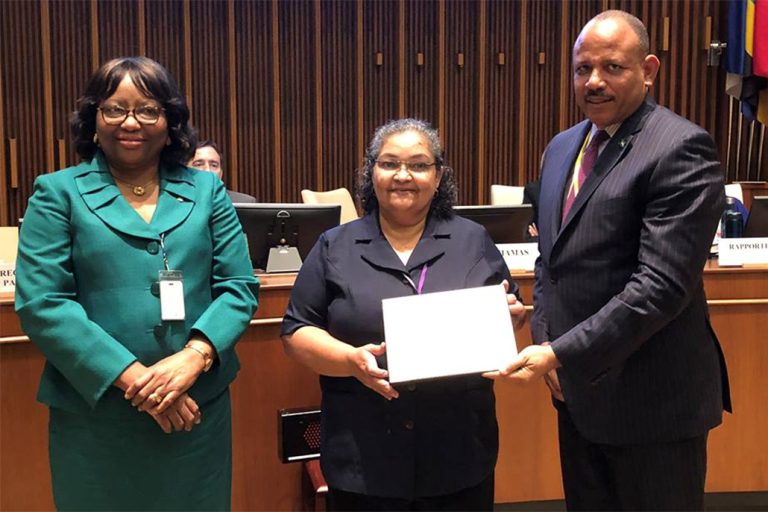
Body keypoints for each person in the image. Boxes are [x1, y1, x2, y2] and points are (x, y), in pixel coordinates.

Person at [486, 11, 731, 511]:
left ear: (648, 70)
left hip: (653, 405)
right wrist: (546, 338)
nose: (594, 81)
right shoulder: (561, 148)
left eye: (612, 67)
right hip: (578, 396)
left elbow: (659, 288)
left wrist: (560, 353)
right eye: (583, 68)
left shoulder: (679, 147)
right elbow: (553, 262)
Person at [14, 56, 259, 511]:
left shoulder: (207, 191)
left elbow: (238, 287)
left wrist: (195, 356)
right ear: (93, 119)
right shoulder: (57, 193)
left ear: (170, 121)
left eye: (148, 110)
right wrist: (140, 382)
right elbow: (43, 304)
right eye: (115, 109)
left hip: (194, 411)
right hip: (97, 416)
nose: (131, 122)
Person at [281, 118, 525, 511]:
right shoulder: (335, 245)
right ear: (371, 172)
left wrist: (509, 315)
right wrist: (349, 360)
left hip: (457, 450)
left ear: (438, 176)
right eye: (390, 163)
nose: (403, 176)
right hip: (363, 452)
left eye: (419, 164)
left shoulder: (472, 239)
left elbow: (512, 309)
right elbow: (296, 331)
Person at [188, 139, 257, 202]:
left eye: (214, 165)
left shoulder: (245, 202)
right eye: (199, 164)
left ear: (221, 173)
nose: (208, 170)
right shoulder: (181, 203)